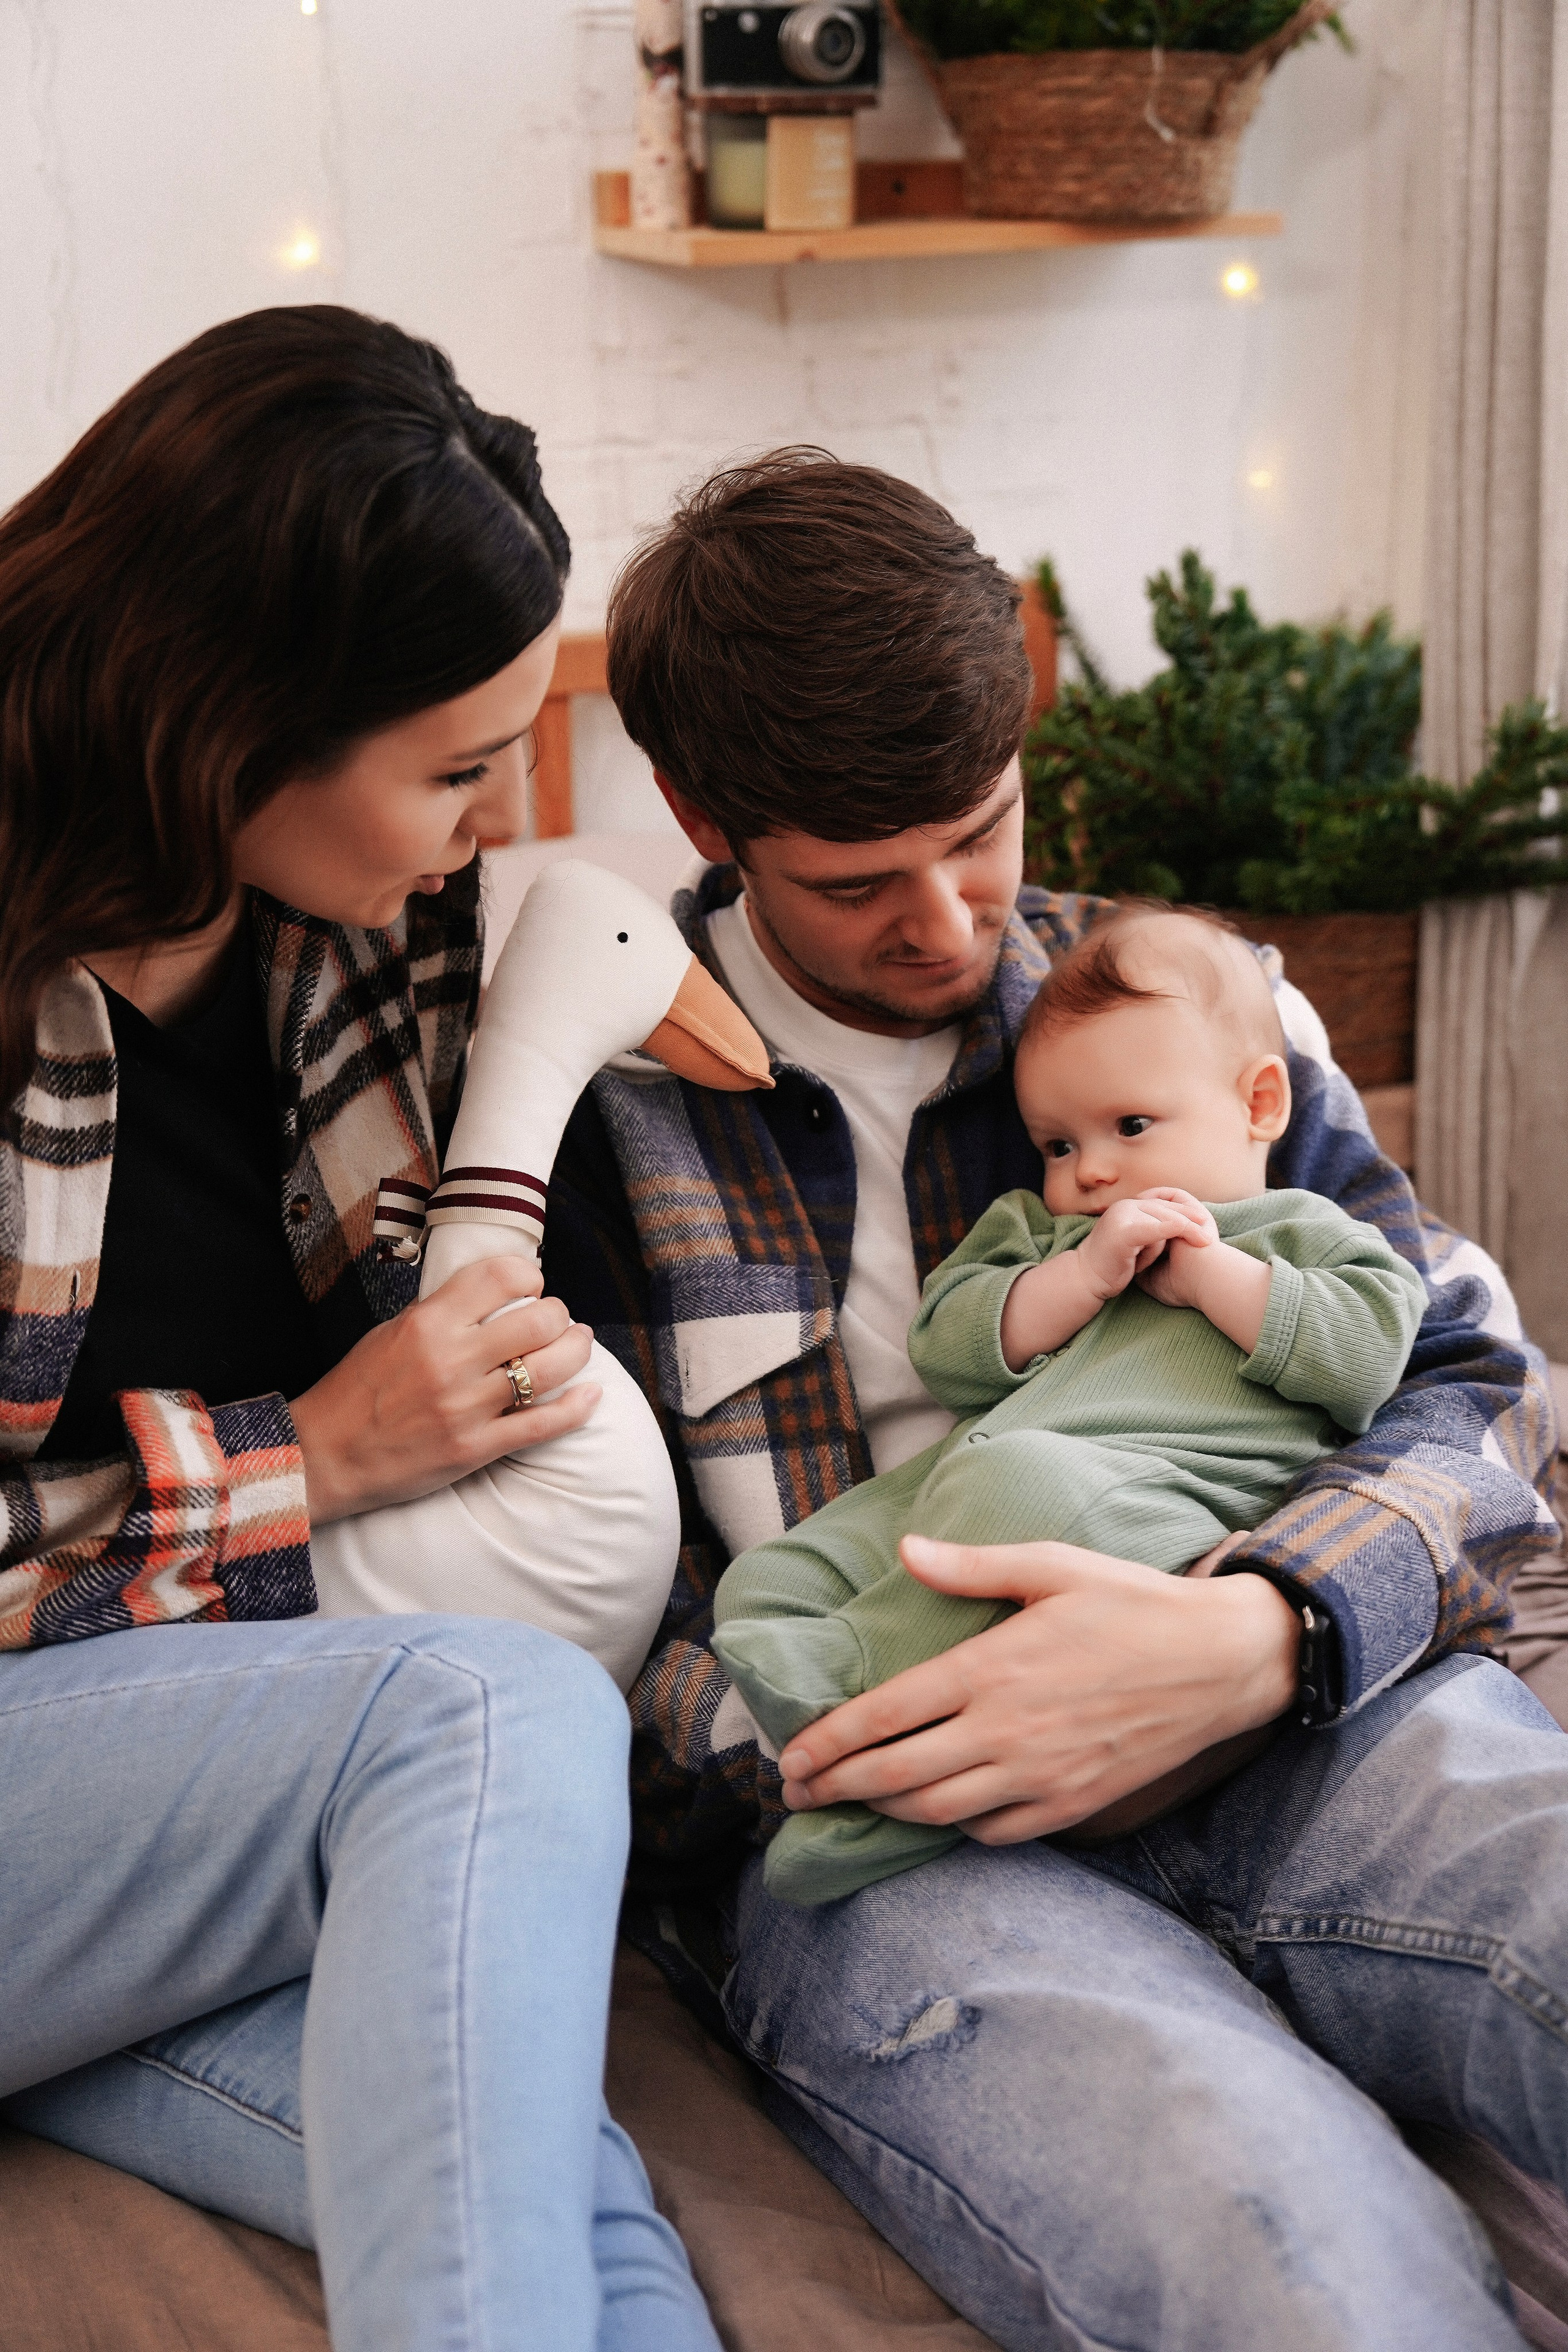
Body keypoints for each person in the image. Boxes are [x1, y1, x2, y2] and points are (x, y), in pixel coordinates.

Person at [545, 449, 1568, 2351]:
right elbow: (569, 1620)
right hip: (896, 1838)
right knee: (1291, 2269)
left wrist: (1270, 1634)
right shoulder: (586, 1114)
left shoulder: (1183, 1006)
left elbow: (1472, 1383)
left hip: (1303, 1704)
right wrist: (895, 1734)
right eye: (858, 882)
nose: (948, 923)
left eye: (985, 831)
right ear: (700, 816)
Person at [0, 307, 720, 2352]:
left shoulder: (349, 967)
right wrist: (313, 1455)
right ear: (230, 724)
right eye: (458, 768)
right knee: (486, 1712)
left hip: (132, 1819)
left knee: (561, 2199)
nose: (497, 818)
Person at [712, 904, 1428, 1905]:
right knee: (773, 1574)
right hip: (951, 1485)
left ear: (1260, 1103)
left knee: (1016, 1483)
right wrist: (1083, 1277)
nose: (1089, 1171)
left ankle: (875, 1781)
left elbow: (1365, 1359)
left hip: (1154, 1508)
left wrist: (1212, 1276)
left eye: (1131, 1127)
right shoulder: (1044, 1235)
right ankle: (830, 1679)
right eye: (1055, 1144)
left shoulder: (1309, 1232)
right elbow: (949, 1351)